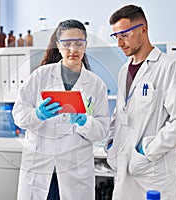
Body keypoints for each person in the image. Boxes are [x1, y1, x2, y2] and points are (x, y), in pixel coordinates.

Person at [104, 4, 176, 200]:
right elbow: (119, 114)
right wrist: (111, 144)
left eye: (125, 35)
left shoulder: (168, 67)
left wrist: (147, 150)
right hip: (123, 168)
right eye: (116, 37)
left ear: (143, 30)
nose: (119, 43)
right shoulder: (124, 71)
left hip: (153, 173)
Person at [12, 19, 110, 200]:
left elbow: (102, 129)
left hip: (75, 170)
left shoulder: (96, 85)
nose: (73, 49)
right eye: (67, 44)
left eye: (79, 44)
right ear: (58, 46)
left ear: (85, 45)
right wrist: (37, 115)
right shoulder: (40, 75)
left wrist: (84, 121)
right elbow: (18, 114)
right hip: (40, 166)